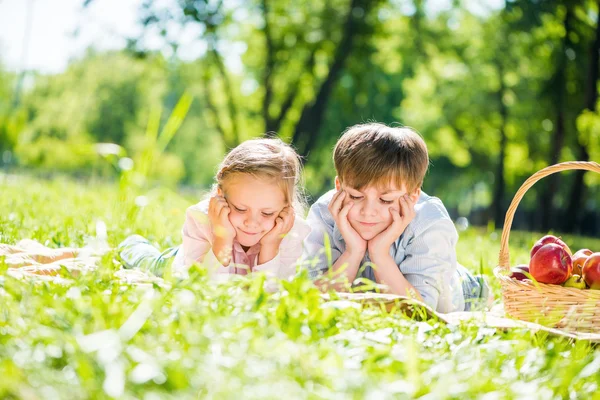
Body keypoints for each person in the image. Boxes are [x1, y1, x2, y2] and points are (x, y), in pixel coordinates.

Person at [302, 122, 489, 312]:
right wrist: (353, 251)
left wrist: (379, 253)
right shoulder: (326, 212)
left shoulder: (429, 221)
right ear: (339, 187)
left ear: (413, 196)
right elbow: (314, 300)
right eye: (356, 196)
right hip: (374, 290)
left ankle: (477, 287)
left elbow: (420, 312)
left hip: (452, 290)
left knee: (465, 287)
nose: (368, 211)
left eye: (386, 200)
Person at [119, 138, 310, 280]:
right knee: (151, 263)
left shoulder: (291, 233)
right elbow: (206, 286)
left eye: (267, 213)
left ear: (286, 208)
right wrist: (222, 238)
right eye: (240, 208)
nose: (251, 222)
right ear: (220, 195)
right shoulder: (201, 219)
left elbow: (272, 293)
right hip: (184, 263)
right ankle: (131, 244)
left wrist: (271, 246)